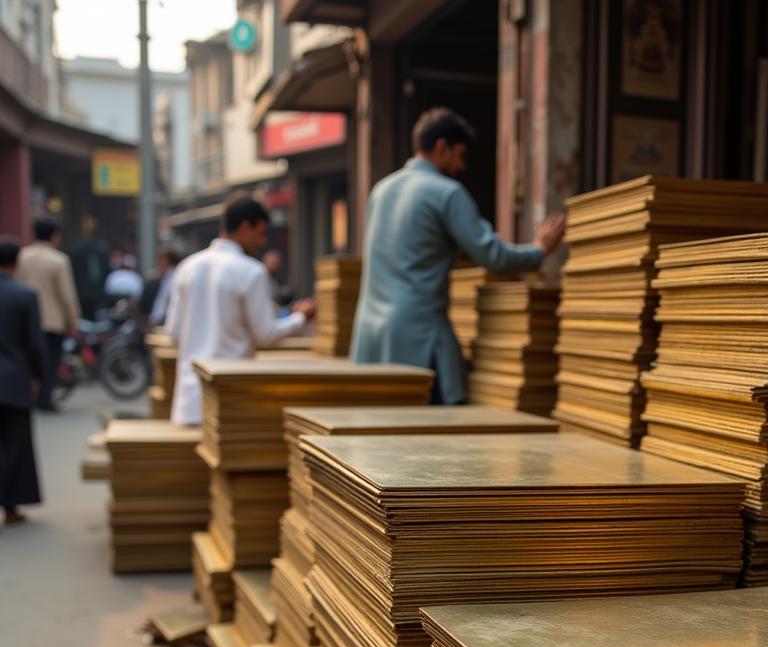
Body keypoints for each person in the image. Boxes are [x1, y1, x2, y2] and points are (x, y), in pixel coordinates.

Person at [351, 107, 565, 404]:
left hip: (371, 335)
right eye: (460, 155)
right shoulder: (446, 193)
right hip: (418, 339)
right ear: (442, 147)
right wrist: (539, 250)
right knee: (426, 437)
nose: (461, 166)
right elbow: (493, 256)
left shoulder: (381, 190)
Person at [166, 193, 314, 426]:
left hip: (189, 402)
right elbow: (265, 335)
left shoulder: (186, 268)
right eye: (261, 233)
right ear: (246, 227)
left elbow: (173, 334)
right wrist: (300, 318)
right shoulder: (252, 272)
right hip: (229, 402)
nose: (262, 242)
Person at [0, 236, 45, 524]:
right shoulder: (25, 295)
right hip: (14, 378)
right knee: (15, 444)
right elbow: (35, 343)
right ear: (17, 262)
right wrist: (38, 375)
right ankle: (11, 507)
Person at [15, 218, 80, 411]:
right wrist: (72, 321)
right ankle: (45, 398)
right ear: (53, 236)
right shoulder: (58, 260)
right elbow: (66, 294)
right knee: (50, 363)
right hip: (53, 320)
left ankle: (28, 396)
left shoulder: (21, 257)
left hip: (24, 319)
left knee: (27, 361)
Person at [139, 247, 181, 328]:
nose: (161, 267)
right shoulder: (152, 282)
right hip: (151, 325)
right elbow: (143, 306)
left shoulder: (178, 281)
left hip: (169, 325)